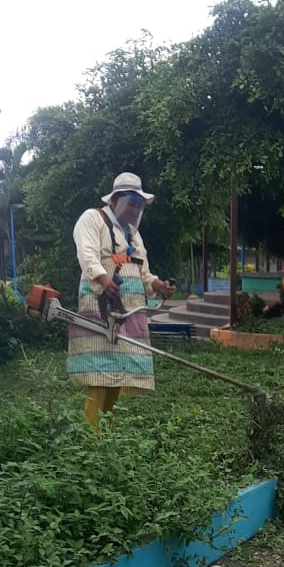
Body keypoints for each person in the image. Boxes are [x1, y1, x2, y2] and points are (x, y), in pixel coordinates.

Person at [68, 172, 175, 425]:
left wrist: (157, 285)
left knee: (117, 372)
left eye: (138, 205)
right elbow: (87, 256)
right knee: (99, 372)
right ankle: (91, 434)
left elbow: (143, 272)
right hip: (100, 308)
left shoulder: (133, 234)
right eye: (130, 203)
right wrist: (104, 280)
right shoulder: (92, 218)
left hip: (129, 312)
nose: (134, 210)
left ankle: (105, 430)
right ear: (115, 200)